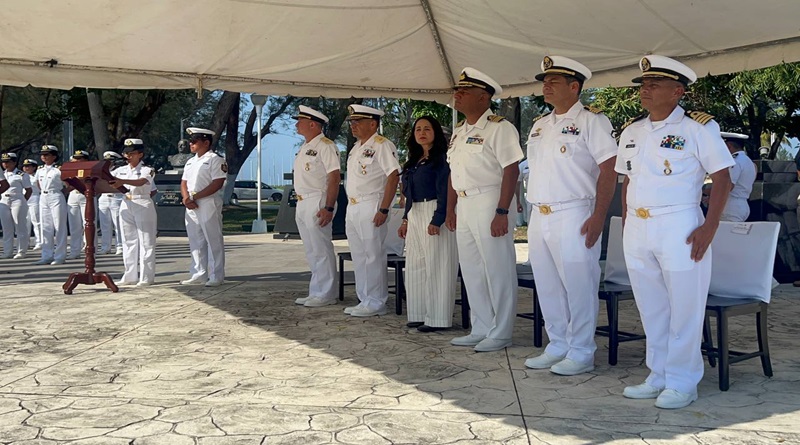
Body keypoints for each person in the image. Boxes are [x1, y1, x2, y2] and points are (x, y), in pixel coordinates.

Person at [616, 55, 733, 409]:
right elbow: (628, 180)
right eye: (643, 84)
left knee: (685, 307)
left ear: (677, 91)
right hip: (638, 225)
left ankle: (683, 382)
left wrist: (710, 226)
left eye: (654, 85)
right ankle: (659, 375)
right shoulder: (632, 131)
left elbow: (723, 178)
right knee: (651, 306)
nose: (645, 90)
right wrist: (627, 221)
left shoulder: (698, 128)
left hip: (679, 224)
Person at [523, 56, 618, 375]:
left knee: (578, 284)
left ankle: (581, 350)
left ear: (574, 86)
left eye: (554, 81)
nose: (546, 86)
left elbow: (609, 169)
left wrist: (599, 216)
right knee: (547, 284)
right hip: (540, 212)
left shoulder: (592, 120)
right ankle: (558, 344)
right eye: (544, 81)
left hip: (574, 211)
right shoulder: (540, 125)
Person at [447, 67, 523, 352]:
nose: (458, 95)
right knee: (471, 269)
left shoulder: (499, 128)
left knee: (497, 267)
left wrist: (502, 212)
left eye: (464, 91)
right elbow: (454, 172)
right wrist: (452, 209)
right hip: (465, 202)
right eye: (457, 90)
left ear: (483, 97)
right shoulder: (459, 131)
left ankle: (501, 331)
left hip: (490, 200)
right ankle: (480, 326)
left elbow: (511, 169)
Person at [398, 116, 458, 332]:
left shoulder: (442, 159)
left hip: (434, 209)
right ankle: (418, 313)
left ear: (435, 133)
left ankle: (438, 317)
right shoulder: (414, 160)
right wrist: (405, 219)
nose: (422, 133)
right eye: (418, 129)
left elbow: (445, 189)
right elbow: (408, 193)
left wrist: (438, 218)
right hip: (415, 212)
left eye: (427, 129)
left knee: (438, 265)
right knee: (415, 264)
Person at [343, 104, 401, 317]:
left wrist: (384, 208)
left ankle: (376, 301)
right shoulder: (356, 148)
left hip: (371, 204)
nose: (353, 125)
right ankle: (364, 299)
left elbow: (393, 176)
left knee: (373, 254)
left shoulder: (381, 145)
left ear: (373, 124)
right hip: (353, 205)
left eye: (358, 121)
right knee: (359, 255)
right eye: (352, 122)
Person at [291, 105, 341, 307]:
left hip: (317, 199)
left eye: (300, 121)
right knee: (311, 250)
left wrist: (328, 207)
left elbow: (334, 177)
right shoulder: (305, 147)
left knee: (321, 248)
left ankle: (326, 293)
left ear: (312, 124)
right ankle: (316, 291)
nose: (296, 124)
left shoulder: (325, 146)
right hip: (302, 200)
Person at [180, 127, 227, 287]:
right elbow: (184, 182)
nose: (191, 144)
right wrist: (186, 198)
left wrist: (194, 197)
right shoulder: (190, 161)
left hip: (207, 201)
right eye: (190, 141)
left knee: (212, 238)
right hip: (191, 203)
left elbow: (217, 183)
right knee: (195, 239)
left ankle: (216, 275)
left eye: (194, 141)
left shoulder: (215, 159)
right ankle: (198, 273)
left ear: (206, 143)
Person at [110, 139, 158, 286]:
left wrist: (122, 181)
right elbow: (108, 178)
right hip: (126, 202)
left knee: (146, 241)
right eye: (126, 153)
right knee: (128, 241)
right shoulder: (120, 170)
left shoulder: (147, 169)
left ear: (140, 154)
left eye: (132, 153)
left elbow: (142, 181)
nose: (128, 156)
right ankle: (129, 275)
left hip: (142, 202)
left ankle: (146, 277)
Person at [34, 145, 68, 265]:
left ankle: (60, 256)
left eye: (47, 154)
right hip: (43, 197)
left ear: (54, 156)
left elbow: (68, 184)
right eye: (42, 154)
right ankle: (46, 255)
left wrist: (61, 193)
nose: (44, 156)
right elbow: (38, 184)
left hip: (56, 196)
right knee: (45, 226)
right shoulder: (40, 170)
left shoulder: (59, 169)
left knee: (59, 226)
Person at [1, 152, 32, 259]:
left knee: (19, 226)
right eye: (4, 162)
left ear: (14, 162)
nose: (5, 164)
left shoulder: (21, 175)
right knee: (6, 228)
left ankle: (21, 251)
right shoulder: (2, 174)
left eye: (8, 162)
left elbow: (29, 190)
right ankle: (7, 251)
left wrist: (23, 201)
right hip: (4, 199)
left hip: (17, 199)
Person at [720, 132, 756, 222]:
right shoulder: (748, 161)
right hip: (741, 204)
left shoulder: (735, 161)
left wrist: (705, 191)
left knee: (727, 231)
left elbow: (727, 186)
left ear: (728, 146)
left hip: (731, 206)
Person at [98, 151, 125, 255]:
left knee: (118, 224)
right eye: (106, 161)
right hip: (104, 197)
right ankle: (105, 247)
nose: (108, 163)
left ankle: (120, 246)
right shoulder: (100, 171)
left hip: (116, 198)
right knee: (104, 225)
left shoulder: (119, 171)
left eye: (110, 161)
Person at [65, 150, 90, 260]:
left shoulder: (90, 169)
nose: (77, 160)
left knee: (88, 224)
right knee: (74, 225)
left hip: (86, 195)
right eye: (76, 158)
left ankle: (89, 248)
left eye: (80, 158)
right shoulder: (71, 170)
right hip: (73, 196)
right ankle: (75, 250)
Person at [22, 159, 42, 251]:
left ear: (34, 167)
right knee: (25, 222)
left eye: (28, 166)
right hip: (24, 198)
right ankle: (25, 242)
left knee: (36, 221)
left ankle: (39, 242)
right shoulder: (21, 176)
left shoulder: (37, 175)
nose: (26, 168)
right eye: (25, 166)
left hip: (34, 197)